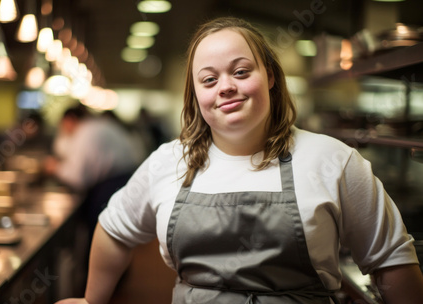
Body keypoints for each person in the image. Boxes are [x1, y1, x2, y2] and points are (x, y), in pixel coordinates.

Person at [56, 17, 423, 304]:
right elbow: (114, 228)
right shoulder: (169, 162)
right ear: (196, 95)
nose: (225, 86)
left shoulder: (334, 160)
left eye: (241, 71)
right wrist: (93, 299)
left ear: (272, 78)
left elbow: (390, 257)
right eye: (209, 79)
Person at [44, 106, 143, 193]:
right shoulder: (95, 126)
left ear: (70, 119)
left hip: (114, 185)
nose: (64, 130)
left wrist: (55, 168)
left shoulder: (85, 132)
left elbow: (78, 178)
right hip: (126, 179)